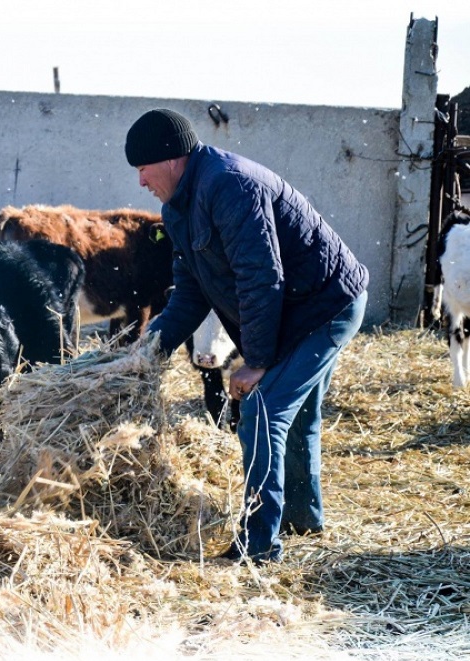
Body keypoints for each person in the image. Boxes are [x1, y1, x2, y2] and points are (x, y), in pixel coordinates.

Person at [124, 108, 368, 563]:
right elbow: (190, 294)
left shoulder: (229, 185)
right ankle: (302, 519)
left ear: (171, 158)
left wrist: (256, 361)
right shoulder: (177, 210)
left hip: (325, 305)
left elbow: (260, 278)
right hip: (294, 310)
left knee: (261, 410)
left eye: (143, 168)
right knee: (295, 415)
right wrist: (146, 352)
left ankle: (258, 548)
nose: (140, 181)